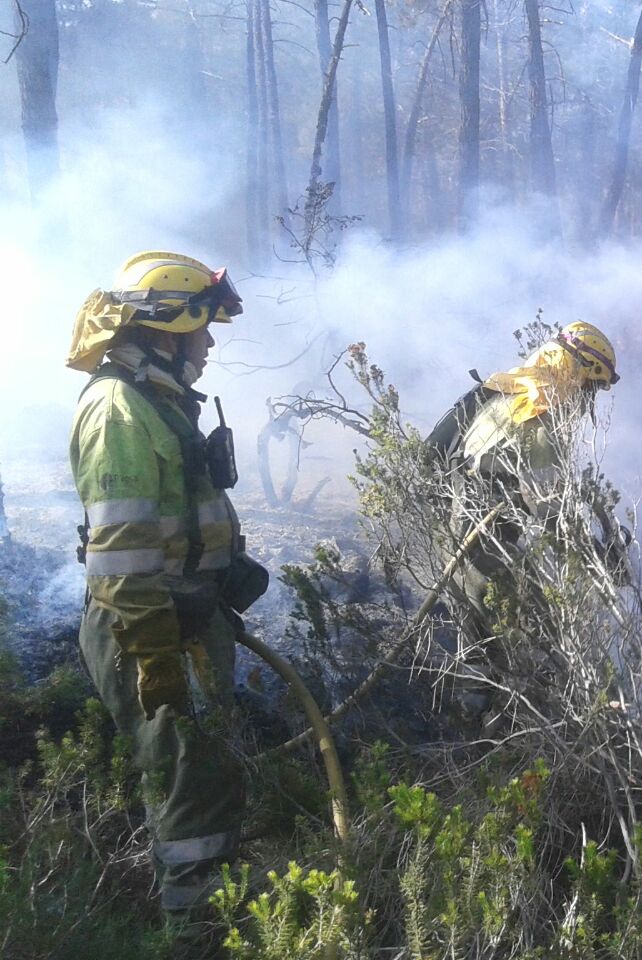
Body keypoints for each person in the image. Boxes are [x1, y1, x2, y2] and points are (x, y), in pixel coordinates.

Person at [65, 251, 268, 932]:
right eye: (200, 328)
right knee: (190, 807)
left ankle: (216, 922)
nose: (209, 344)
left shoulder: (157, 402)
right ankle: (198, 941)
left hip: (183, 622)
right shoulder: (121, 411)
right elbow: (121, 557)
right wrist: (157, 657)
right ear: (164, 330)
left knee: (207, 786)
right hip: (151, 630)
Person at [424, 322, 620, 688]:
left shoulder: (510, 389)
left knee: (486, 643)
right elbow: (553, 517)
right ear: (576, 374)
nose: (587, 401)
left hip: (462, 529)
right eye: (590, 388)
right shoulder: (540, 420)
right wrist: (600, 560)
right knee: (542, 630)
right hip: (483, 544)